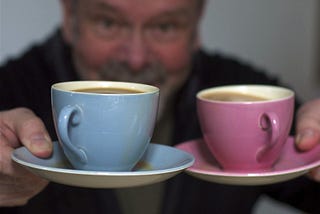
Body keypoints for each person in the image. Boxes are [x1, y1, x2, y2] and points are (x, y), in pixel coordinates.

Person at [1, 0, 320, 213]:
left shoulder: (241, 95)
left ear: (196, 28)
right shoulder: (9, 92)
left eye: (165, 27)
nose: (136, 59)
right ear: (70, 17)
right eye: (108, 23)